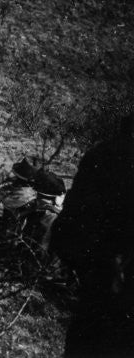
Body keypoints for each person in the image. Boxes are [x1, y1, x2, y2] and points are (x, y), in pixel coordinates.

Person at [50, 115, 134, 356]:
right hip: (118, 267)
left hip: (95, 266)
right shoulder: (110, 156)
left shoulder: (101, 153)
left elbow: (71, 218)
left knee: (88, 332)